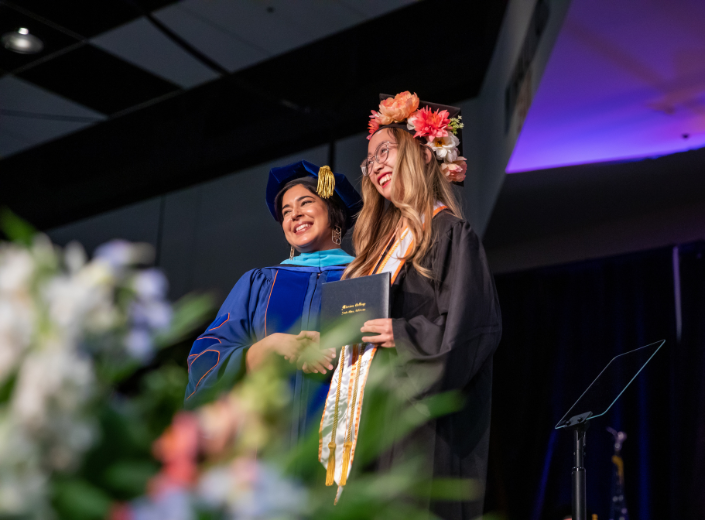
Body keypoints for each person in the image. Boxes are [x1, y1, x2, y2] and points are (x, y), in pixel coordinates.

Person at [319, 92, 501, 519]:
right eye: (369, 158)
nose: (376, 164)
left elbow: (473, 332)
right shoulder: (372, 253)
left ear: (421, 155)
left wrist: (400, 333)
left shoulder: (450, 234)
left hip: (418, 429)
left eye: (386, 150)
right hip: (369, 424)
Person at [185, 160, 362, 447]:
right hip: (264, 449)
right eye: (286, 212)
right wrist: (267, 347)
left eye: (305, 203)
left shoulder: (364, 276)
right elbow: (205, 357)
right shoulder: (259, 283)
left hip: (347, 442)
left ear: (333, 210)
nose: (295, 215)